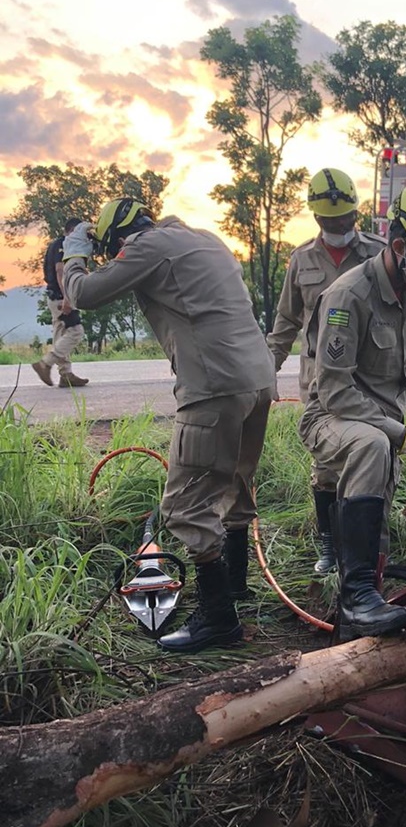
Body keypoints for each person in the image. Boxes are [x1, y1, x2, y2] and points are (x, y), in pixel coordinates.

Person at [61, 198, 276, 653]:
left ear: (117, 237)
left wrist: (74, 251)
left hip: (213, 387)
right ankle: (235, 588)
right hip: (258, 381)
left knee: (183, 505)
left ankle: (219, 618)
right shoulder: (204, 239)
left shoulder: (145, 247)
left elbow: (83, 294)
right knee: (236, 482)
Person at [298, 181, 406, 641]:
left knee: (374, 528)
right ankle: (355, 599)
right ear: (400, 247)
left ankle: (363, 602)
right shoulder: (347, 297)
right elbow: (333, 391)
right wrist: (398, 434)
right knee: (373, 446)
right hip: (330, 418)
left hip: (379, 422)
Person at [266, 168, 385, 576]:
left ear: (357, 213)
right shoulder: (301, 261)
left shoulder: (376, 253)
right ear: (316, 218)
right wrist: (266, 373)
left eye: (347, 219)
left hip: (368, 379)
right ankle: (331, 547)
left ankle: (368, 551)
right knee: (326, 468)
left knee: (374, 456)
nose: (340, 227)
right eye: (331, 221)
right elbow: (284, 323)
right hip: (319, 382)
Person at [31, 218, 89, 388]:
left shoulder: (55, 244)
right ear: (73, 231)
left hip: (53, 296)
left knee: (60, 333)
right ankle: (45, 364)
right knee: (76, 332)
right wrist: (68, 297)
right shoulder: (63, 244)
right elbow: (60, 270)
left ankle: (66, 374)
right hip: (60, 297)